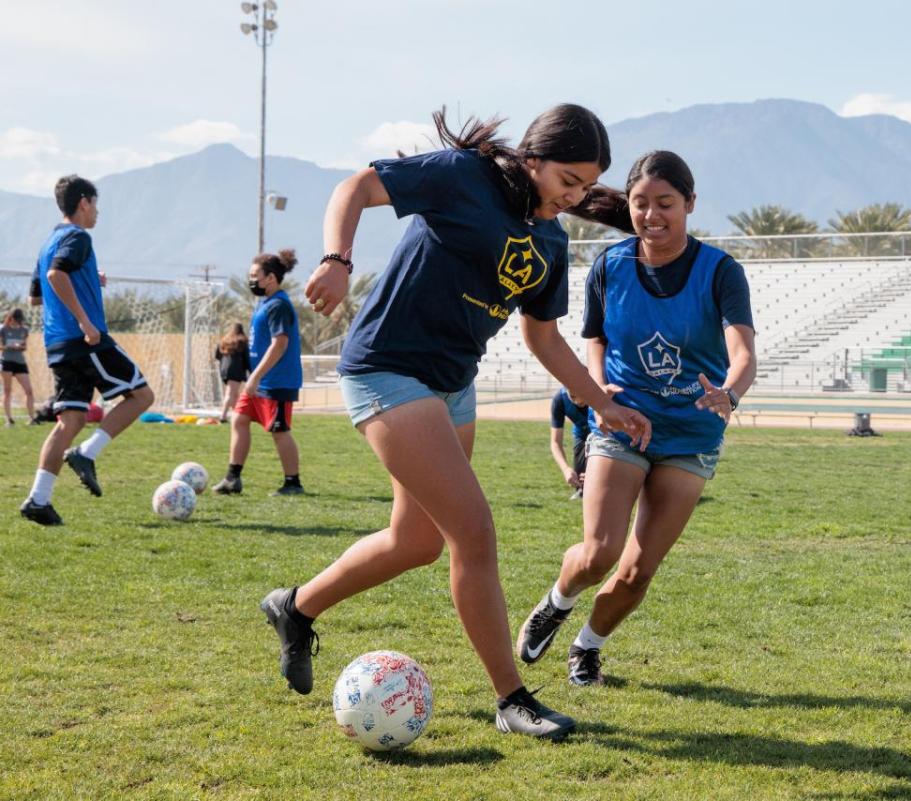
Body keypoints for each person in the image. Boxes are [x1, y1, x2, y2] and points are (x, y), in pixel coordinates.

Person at [258, 105, 651, 740]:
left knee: (415, 542)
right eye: (567, 180)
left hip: (452, 386)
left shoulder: (551, 240)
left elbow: (544, 339)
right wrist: (336, 258)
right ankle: (512, 699)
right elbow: (355, 187)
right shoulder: (464, 176)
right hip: (387, 368)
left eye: (585, 187)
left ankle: (295, 607)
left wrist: (600, 402)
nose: (574, 197)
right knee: (474, 533)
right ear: (532, 159)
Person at [516, 150, 756, 686]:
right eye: (641, 203)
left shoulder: (720, 271)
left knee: (635, 572)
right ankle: (556, 602)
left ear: (690, 204)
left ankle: (587, 648)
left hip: (691, 432)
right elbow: (594, 338)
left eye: (665, 203)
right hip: (624, 422)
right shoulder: (610, 264)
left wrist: (729, 395)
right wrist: (600, 388)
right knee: (598, 554)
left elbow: (743, 355)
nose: (652, 215)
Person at [20, 175, 154, 526]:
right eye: (95, 205)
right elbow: (55, 276)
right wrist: (84, 321)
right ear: (83, 202)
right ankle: (86, 453)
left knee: (72, 420)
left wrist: (89, 278)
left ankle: (38, 500)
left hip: (58, 345)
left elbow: (35, 297)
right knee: (141, 396)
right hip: (84, 340)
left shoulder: (49, 240)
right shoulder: (77, 236)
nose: (97, 213)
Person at [213, 252, 304, 496]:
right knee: (239, 419)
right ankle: (233, 479)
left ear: (270, 278)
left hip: (277, 381)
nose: (251, 280)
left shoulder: (278, 305)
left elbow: (280, 343)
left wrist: (255, 377)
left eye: (255, 276)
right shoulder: (264, 303)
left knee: (279, 430)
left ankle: (293, 483)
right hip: (261, 382)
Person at [550, 386, 589, 499]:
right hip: (581, 434)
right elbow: (555, 442)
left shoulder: (597, 394)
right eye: (573, 396)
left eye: (582, 395)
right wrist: (566, 469)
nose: (579, 401)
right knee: (580, 480)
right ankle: (581, 492)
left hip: (602, 434)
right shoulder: (559, 400)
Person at [2, 308, 36, 425]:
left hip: (20, 362)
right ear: (10, 318)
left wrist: (20, 347)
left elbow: (24, 347)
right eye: (15, 320)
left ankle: (32, 418)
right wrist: (10, 346)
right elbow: (1, 346)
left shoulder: (24, 330)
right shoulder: (3, 329)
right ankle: (9, 419)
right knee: (7, 390)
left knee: (29, 391)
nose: (17, 322)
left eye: (19, 320)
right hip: (7, 362)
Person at [214, 322, 251, 423]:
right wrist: (251, 371)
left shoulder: (224, 341)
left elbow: (217, 355)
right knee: (230, 393)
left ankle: (236, 415)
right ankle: (223, 416)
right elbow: (247, 357)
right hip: (236, 369)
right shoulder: (242, 341)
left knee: (234, 394)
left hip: (224, 369)